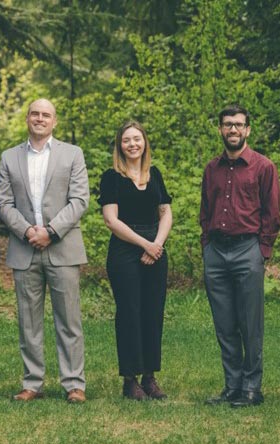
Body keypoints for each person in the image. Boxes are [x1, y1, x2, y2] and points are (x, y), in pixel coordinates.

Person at [0, 98, 89, 403]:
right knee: (28, 321)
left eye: (46, 114)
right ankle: (32, 382)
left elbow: (79, 200)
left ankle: (74, 383)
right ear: (27, 118)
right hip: (25, 249)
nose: (40, 118)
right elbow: (4, 205)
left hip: (62, 248)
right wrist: (26, 231)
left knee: (69, 319)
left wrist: (50, 232)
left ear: (55, 121)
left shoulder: (72, 154)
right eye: (35, 114)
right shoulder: (9, 157)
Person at [201, 104, 280, 408]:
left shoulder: (263, 167)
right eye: (227, 124)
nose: (232, 129)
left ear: (247, 130)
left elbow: (272, 214)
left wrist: (263, 251)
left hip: (248, 249)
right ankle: (232, 386)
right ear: (220, 129)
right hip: (216, 253)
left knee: (250, 324)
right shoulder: (212, 169)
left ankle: (252, 388)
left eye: (238, 125)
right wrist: (206, 246)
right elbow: (205, 210)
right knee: (225, 323)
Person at [98, 121, 172, 401]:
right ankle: (130, 380)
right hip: (125, 252)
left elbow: (165, 212)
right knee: (129, 313)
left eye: (137, 139)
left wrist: (157, 245)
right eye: (127, 140)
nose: (132, 144)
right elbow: (111, 220)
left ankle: (149, 377)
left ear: (144, 143)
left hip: (156, 249)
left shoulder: (155, 174)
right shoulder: (111, 177)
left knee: (153, 313)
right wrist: (145, 244)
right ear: (120, 145)